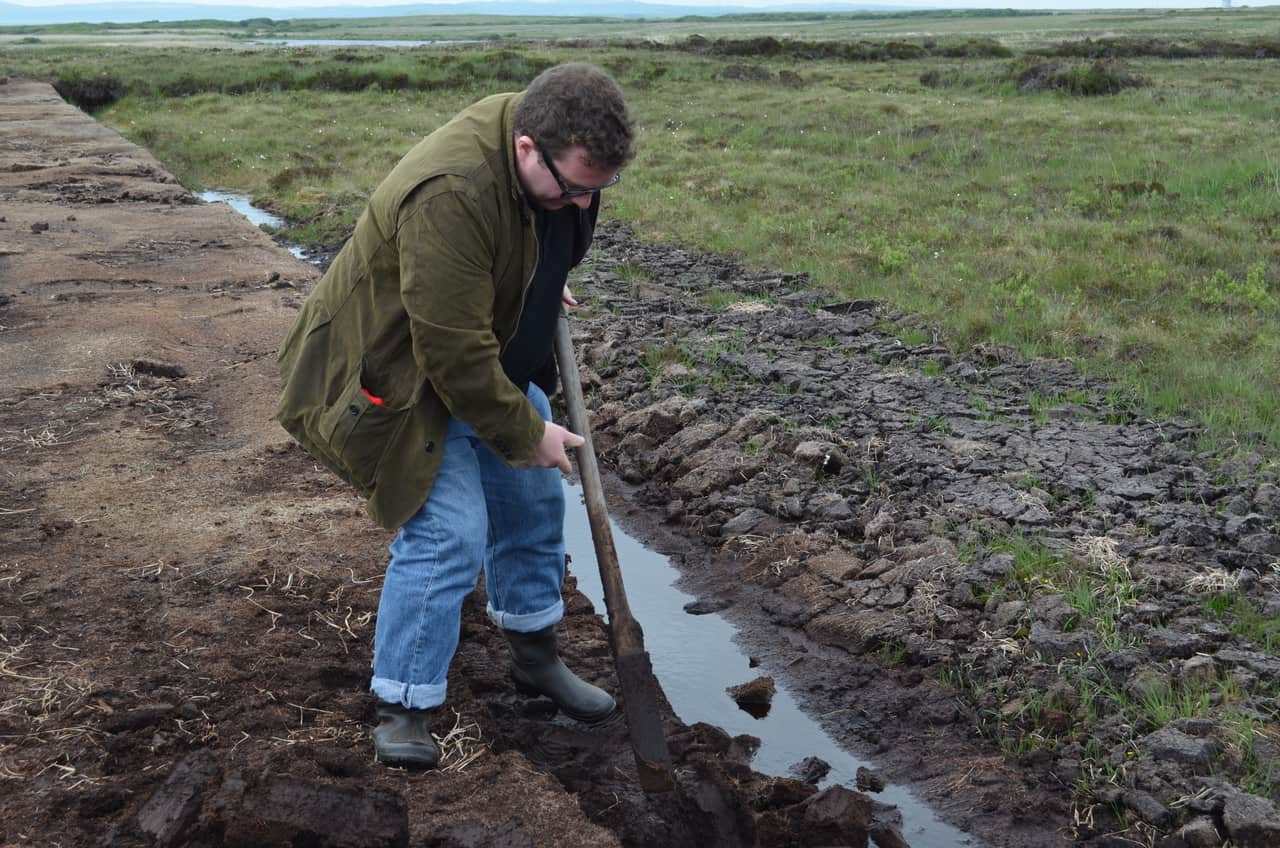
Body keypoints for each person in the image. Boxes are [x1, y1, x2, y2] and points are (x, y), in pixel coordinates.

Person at [275, 63, 635, 769]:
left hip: (479, 358)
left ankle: (534, 656)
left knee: (533, 503)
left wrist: (531, 282)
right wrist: (528, 431)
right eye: (575, 188)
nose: (584, 203)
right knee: (450, 533)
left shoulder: (550, 148)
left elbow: (527, 233)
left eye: (599, 189)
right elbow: (449, 350)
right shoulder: (453, 189)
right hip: (398, 375)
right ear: (528, 148)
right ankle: (405, 702)